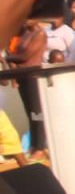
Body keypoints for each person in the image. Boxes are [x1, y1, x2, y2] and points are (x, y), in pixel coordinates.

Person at [5, 20, 47, 160]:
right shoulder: (24, 34)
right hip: (23, 75)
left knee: (37, 112)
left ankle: (40, 147)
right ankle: (33, 144)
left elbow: (25, 56)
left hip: (33, 76)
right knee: (30, 112)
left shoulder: (39, 34)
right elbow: (12, 50)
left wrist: (7, 57)